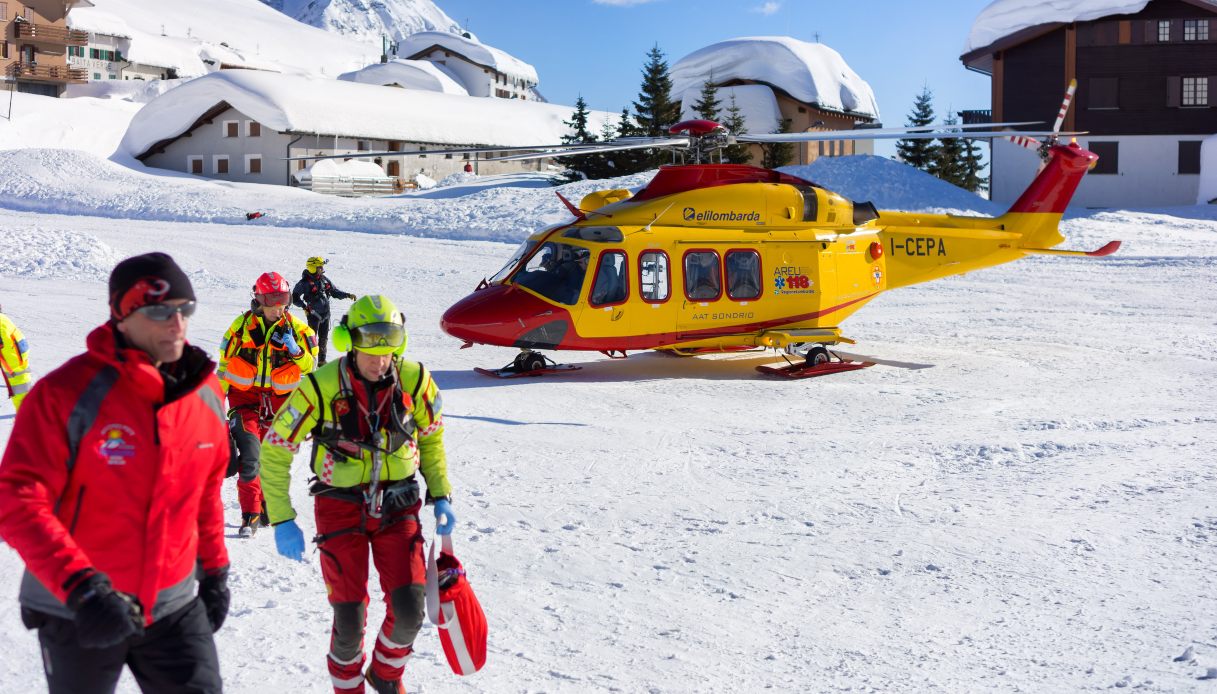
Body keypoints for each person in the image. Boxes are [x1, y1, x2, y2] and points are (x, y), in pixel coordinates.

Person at [0, 252, 230, 694]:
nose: (176, 324)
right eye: (160, 311)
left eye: (185, 310)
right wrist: (82, 587)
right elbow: (17, 499)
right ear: (121, 318)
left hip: (172, 604)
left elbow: (205, 494)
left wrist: (216, 571)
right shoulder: (67, 394)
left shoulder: (206, 394)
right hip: (76, 607)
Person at [260, 295, 455, 694]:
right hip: (339, 506)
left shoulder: (416, 380)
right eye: (369, 342)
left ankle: (385, 676)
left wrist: (442, 492)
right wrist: (281, 517)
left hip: (399, 505)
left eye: (389, 342)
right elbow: (275, 447)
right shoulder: (321, 385)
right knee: (349, 622)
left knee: (409, 612)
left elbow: (432, 440)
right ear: (352, 338)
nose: (378, 357)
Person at [219, 271, 318, 538]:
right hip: (245, 401)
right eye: (272, 301)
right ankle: (249, 514)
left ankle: (266, 506)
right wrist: (216, 403)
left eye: (283, 300)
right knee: (251, 456)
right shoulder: (240, 328)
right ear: (259, 300)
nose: (278, 307)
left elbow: (311, 366)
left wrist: (296, 352)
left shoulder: (298, 330)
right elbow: (224, 365)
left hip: (280, 406)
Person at [292, 256, 356, 365]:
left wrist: (347, 295)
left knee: (323, 339)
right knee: (311, 340)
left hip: (326, 314)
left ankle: (321, 361)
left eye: (322, 267)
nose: (322, 269)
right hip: (313, 315)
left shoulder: (324, 279)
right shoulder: (304, 283)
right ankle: (309, 362)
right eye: (319, 267)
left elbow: (334, 291)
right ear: (312, 268)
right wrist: (304, 306)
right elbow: (294, 298)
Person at [0, 308, 33, 411]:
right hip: (15, 347)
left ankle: (27, 414)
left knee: (20, 385)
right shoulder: (3, 319)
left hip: (13, 352)